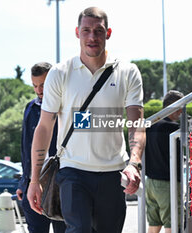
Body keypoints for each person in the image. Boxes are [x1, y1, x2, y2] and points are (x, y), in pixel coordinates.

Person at [27, 7, 145, 233]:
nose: (92, 37)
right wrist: (34, 180)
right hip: (73, 171)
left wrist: (134, 163)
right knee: (78, 230)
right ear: (77, 33)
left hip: (114, 173)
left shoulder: (128, 72)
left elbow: (137, 124)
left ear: (108, 33)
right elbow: (44, 127)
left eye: (98, 31)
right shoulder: (60, 73)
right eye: (86, 31)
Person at [16, 62, 66, 233]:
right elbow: (25, 148)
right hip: (33, 185)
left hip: (61, 184)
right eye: (35, 85)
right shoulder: (30, 108)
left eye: (43, 85)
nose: (38, 90)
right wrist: (24, 183)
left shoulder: (68, 107)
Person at [145, 90, 184, 233]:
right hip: (168, 183)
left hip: (150, 183)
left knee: (154, 223)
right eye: (180, 107)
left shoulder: (150, 124)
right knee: (172, 223)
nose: (181, 111)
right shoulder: (172, 128)